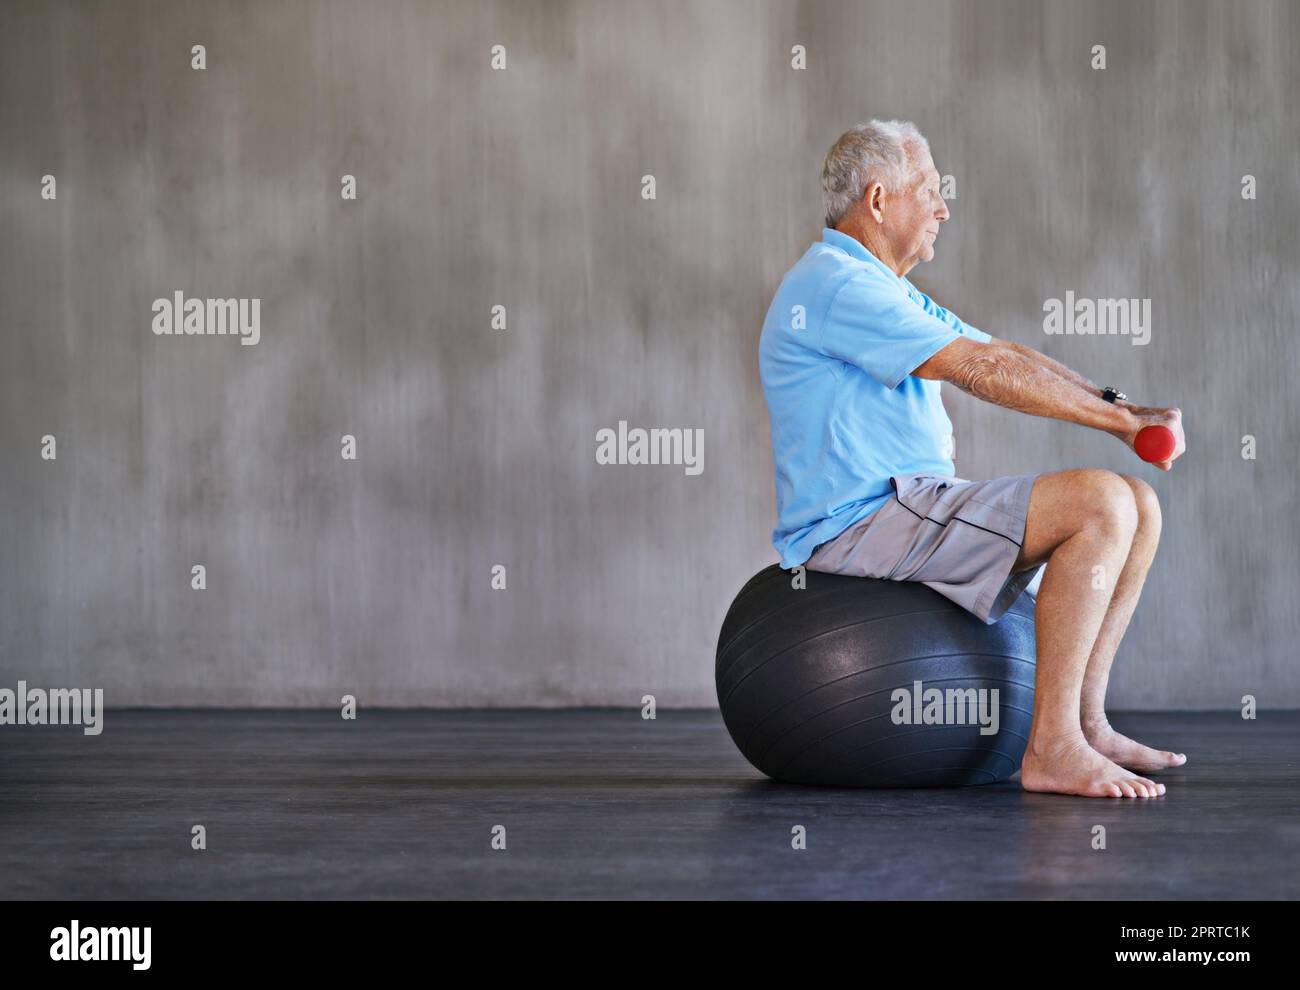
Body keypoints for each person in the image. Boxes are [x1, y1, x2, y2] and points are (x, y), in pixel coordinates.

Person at [758, 119, 1187, 799]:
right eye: (927, 189)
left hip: (910, 503)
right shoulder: (838, 287)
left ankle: (1086, 723)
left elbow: (1004, 352)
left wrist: (1122, 409)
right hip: (863, 519)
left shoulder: (885, 288)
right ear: (877, 200)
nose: (942, 206)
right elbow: (978, 370)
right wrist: (1118, 424)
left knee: (1139, 503)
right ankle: (1051, 749)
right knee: (1100, 503)